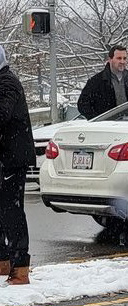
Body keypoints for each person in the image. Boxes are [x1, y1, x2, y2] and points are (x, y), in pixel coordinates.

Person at [0, 45, 36, 285]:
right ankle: (3, 260)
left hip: (12, 159)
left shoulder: (7, 83)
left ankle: (20, 266)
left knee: (11, 212)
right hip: (5, 158)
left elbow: (1, 115)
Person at [78, 45, 128, 120]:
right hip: (106, 128)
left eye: (124, 58)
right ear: (110, 59)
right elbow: (82, 105)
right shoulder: (96, 81)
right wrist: (98, 120)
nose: (122, 61)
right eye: (118, 58)